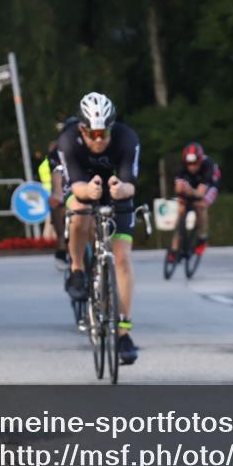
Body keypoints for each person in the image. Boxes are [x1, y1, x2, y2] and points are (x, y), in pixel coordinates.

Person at [58, 93, 141, 365]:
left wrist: (119, 189)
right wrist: (89, 190)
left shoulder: (127, 138)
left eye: (103, 132)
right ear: (82, 129)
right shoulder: (69, 140)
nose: (98, 139)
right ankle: (78, 270)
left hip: (117, 193)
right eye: (92, 133)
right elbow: (75, 186)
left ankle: (124, 332)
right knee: (80, 211)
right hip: (82, 188)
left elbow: (131, 185)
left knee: (123, 258)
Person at [169, 142, 220, 261]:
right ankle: (174, 249)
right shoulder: (181, 167)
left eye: (195, 164)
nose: (192, 167)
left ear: (200, 161)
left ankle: (202, 238)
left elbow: (200, 194)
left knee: (200, 206)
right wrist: (182, 195)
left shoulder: (208, 166)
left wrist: (189, 191)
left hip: (209, 186)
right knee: (180, 210)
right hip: (192, 184)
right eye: (189, 164)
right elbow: (178, 189)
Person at [38, 116, 77, 271]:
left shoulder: (88, 146)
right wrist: (58, 195)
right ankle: (61, 248)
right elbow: (56, 175)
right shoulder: (57, 152)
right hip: (63, 190)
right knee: (59, 212)